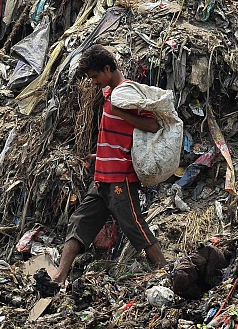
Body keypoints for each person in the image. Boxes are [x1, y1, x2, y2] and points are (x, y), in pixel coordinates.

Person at [49, 45, 167, 288]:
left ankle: (166, 272)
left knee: (135, 227)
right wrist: (98, 154)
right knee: (79, 222)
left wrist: (120, 112)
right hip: (102, 177)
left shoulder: (127, 94)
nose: (93, 82)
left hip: (120, 178)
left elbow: (154, 125)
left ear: (108, 68)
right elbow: (115, 136)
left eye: (95, 76)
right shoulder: (110, 95)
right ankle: (59, 277)